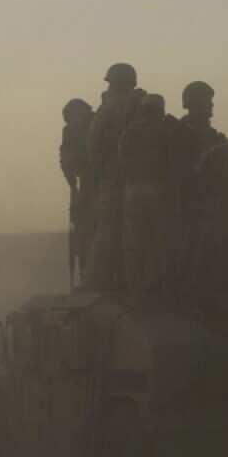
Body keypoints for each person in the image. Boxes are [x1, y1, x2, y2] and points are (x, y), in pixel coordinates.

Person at [169, 81, 228, 296]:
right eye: (208, 102)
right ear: (197, 104)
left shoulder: (209, 133)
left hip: (213, 200)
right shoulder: (182, 133)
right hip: (194, 203)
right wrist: (215, 151)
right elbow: (184, 170)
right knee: (193, 255)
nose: (211, 107)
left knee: (213, 253)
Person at [84, 63, 147, 290]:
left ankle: (101, 282)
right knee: (122, 233)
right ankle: (108, 282)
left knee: (112, 232)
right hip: (124, 179)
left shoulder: (110, 108)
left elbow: (93, 144)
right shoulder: (134, 105)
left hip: (117, 179)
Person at [118, 94, 172, 298]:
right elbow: (170, 162)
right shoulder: (164, 132)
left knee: (134, 242)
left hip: (132, 190)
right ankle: (156, 286)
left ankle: (136, 289)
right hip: (156, 190)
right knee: (157, 240)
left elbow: (121, 160)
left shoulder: (129, 132)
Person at [60, 99, 96, 285]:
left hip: (95, 187)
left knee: (88, 234)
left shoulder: (94, 124)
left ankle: (88, 277)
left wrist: (74, 186)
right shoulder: (97, 122)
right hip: (89, 186)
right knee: (84, 235)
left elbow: (67, 160)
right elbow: (67, 160)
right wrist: (74, 186)